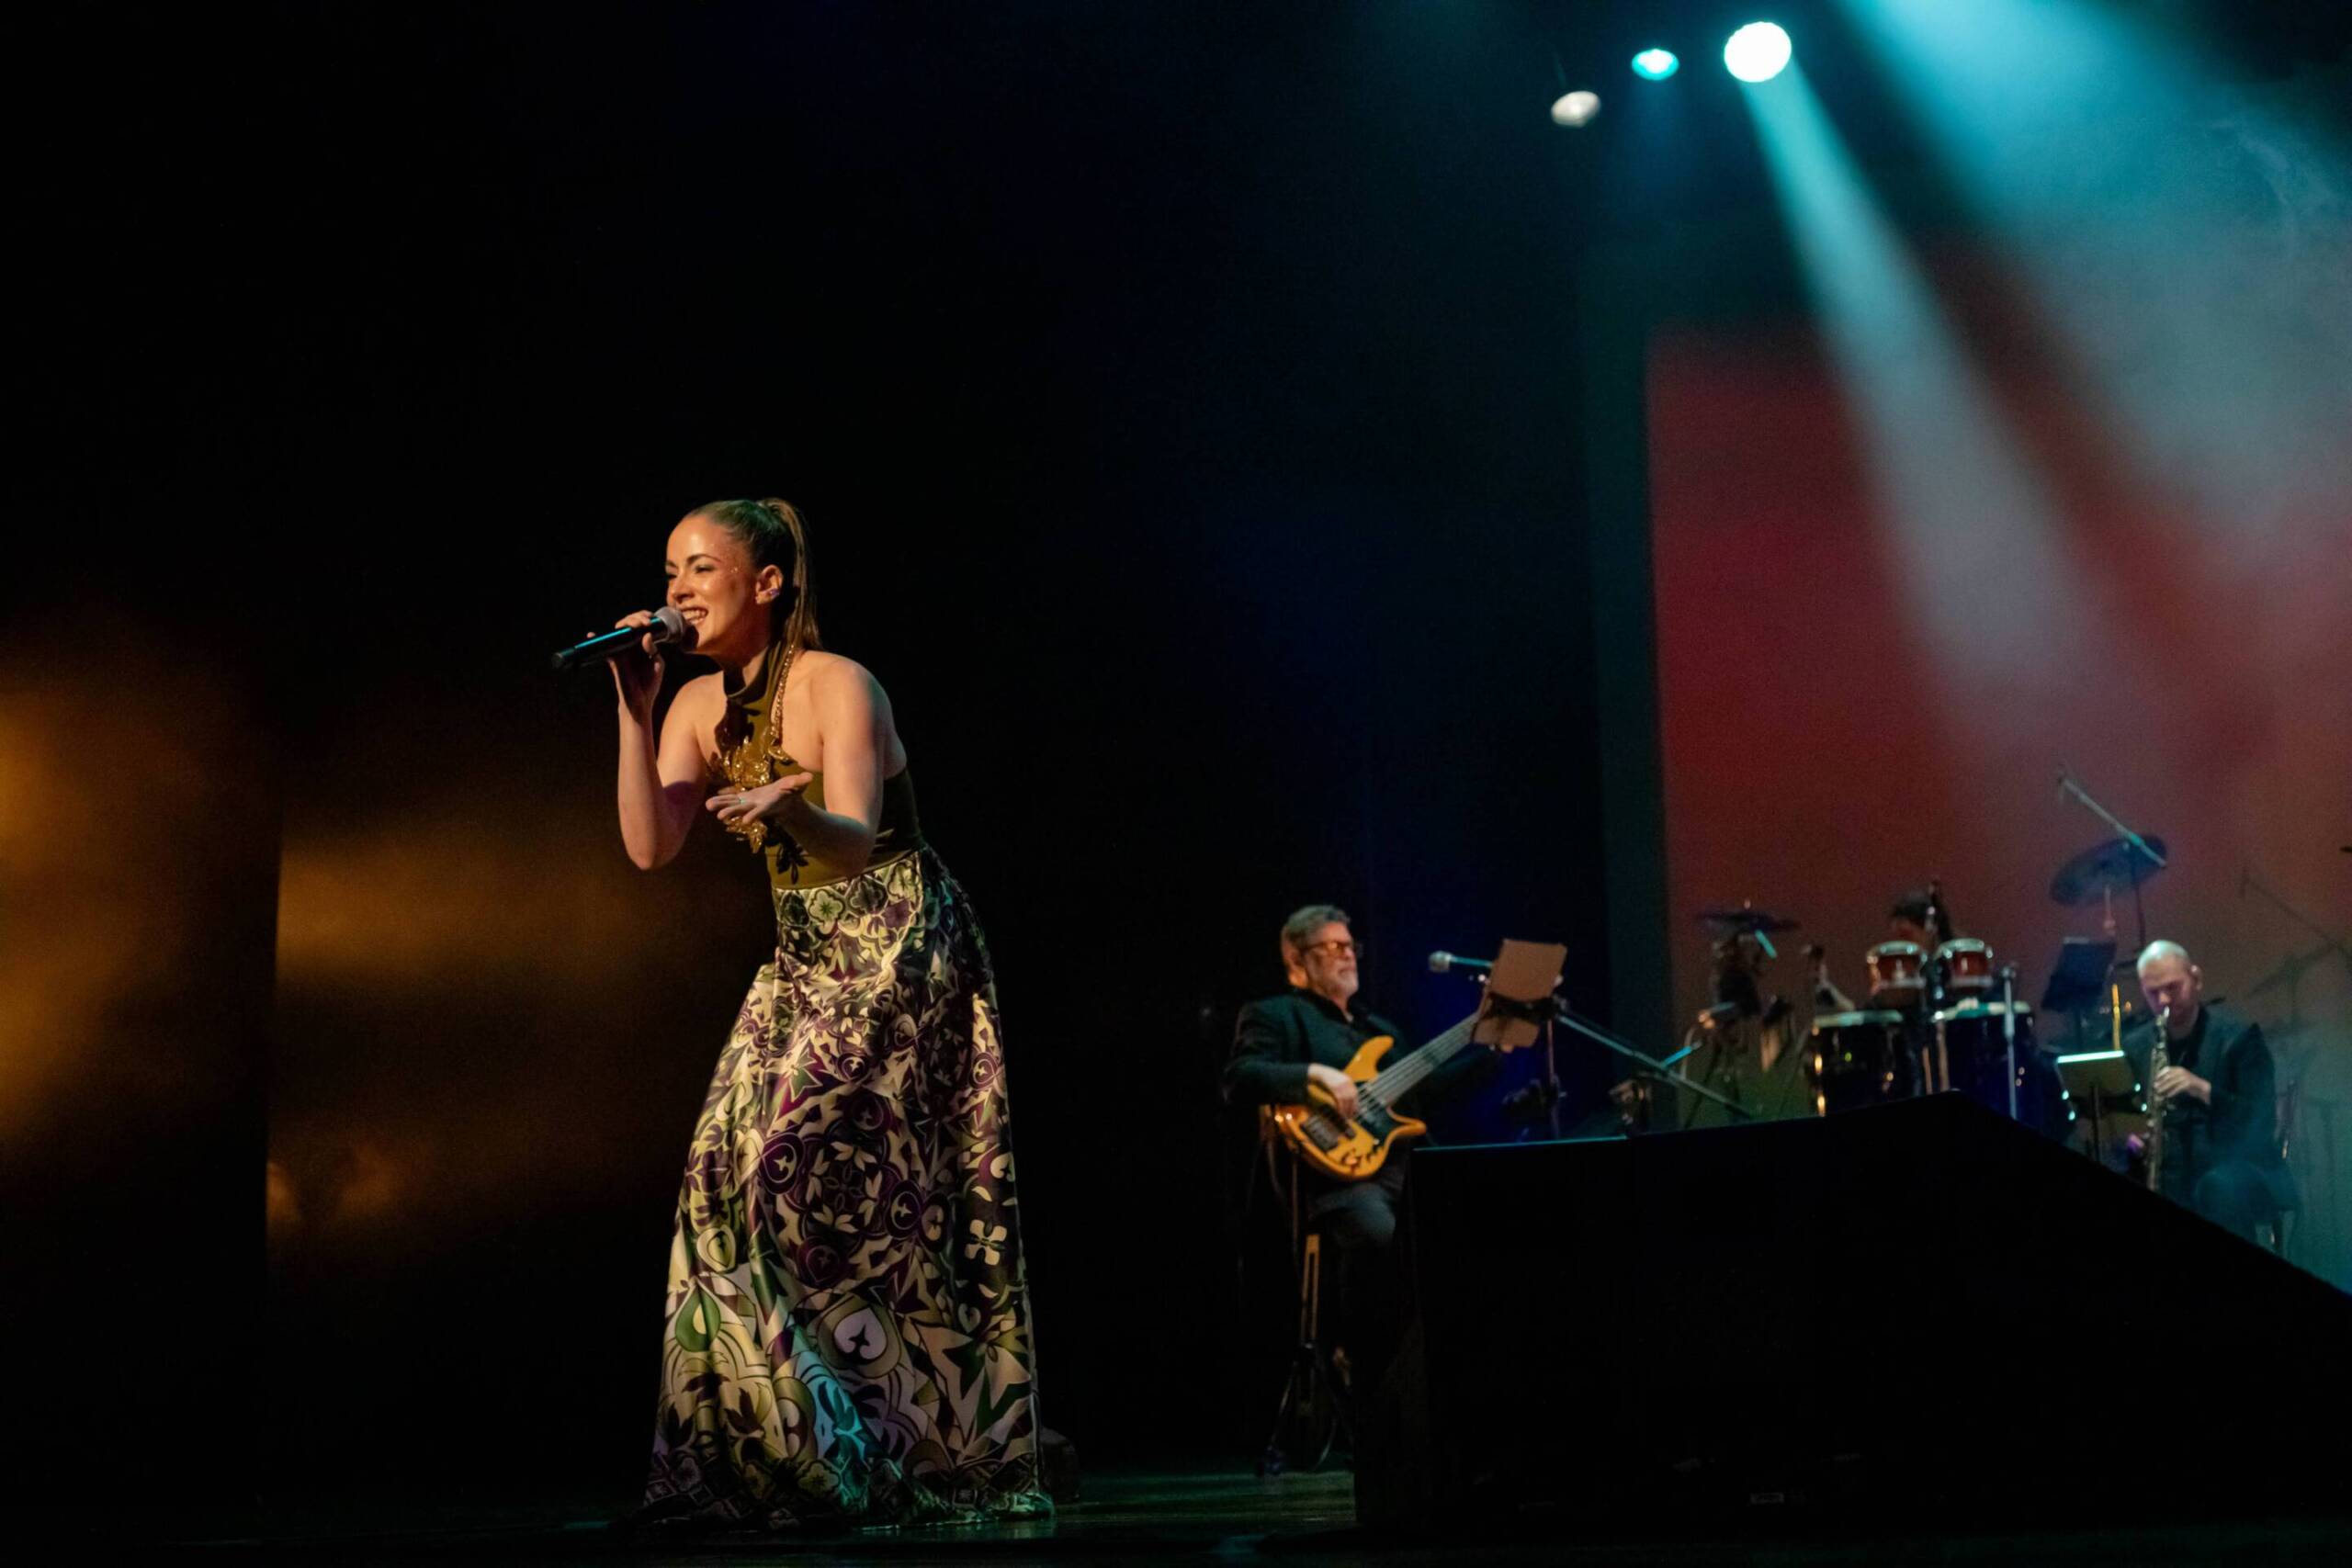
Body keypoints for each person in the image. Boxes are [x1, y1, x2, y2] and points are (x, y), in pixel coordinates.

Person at [612, 498, 1047, 1530]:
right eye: (671, 570)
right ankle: (774, 1455)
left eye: (701, 567)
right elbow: (649, 847)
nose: (678, 589)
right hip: (805, 953)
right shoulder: (694, 704)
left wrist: (791, 807)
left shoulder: (839, 683)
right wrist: (635, 706)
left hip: (901, 943)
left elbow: (853, 838)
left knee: (831, 1188)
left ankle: (903, 1445)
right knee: (718, 1175)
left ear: (766, 582)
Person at [1223, 906, 1494, 1388]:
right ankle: (1362, 1360)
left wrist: (1493, 1050)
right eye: (1333, 947)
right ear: (1296, 957)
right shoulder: (1276, 1014)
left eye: (1351, 946)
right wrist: (1315, 1075)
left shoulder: (1379, 1031)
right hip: (1335, 1184)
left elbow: (1424, 1097)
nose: (1348, 955)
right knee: (1380, 1240)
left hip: (1403, 1170)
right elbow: (1241, 1078)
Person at [2126, 940, 2295, 1242]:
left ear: (2196, 979)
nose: (2164, 1000)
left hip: (2238, 1163)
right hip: (2170, 1165)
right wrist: (2132, 1137)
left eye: (2173, 987)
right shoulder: (2136, 1046)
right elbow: (2125, 1116)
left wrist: (2202, 1089)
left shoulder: (2239, 1038)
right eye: (2153, 993)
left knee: (2217, 1188)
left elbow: (2261, 1123)